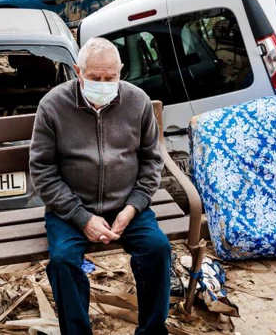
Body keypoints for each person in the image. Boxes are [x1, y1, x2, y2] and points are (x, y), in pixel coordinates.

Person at [29, 37, 170, 334]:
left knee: (157, 249)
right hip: (71, 209)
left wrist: (132, 208)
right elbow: (42, 170)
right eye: (95, 78)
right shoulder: (53, 106)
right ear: (78, 71)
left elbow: (151, 161)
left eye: (111, 77)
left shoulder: (138, 101)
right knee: (63, 261)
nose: (104, 84)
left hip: (127, 205)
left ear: (120, 70)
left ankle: (152, 331)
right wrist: (82, 217)